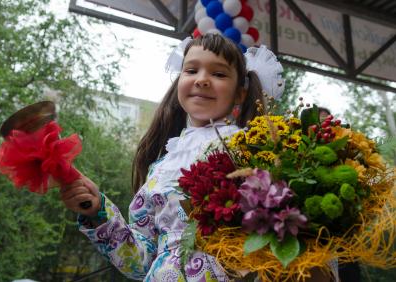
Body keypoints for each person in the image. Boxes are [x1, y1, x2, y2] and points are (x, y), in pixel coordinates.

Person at [58, 34, 331, 281]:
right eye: (191, 70)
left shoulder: (255, 149)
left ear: (241, 92)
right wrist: (98, 212)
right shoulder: (160, 168)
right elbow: (140, 263)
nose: (201, 78)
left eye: (219, 73)